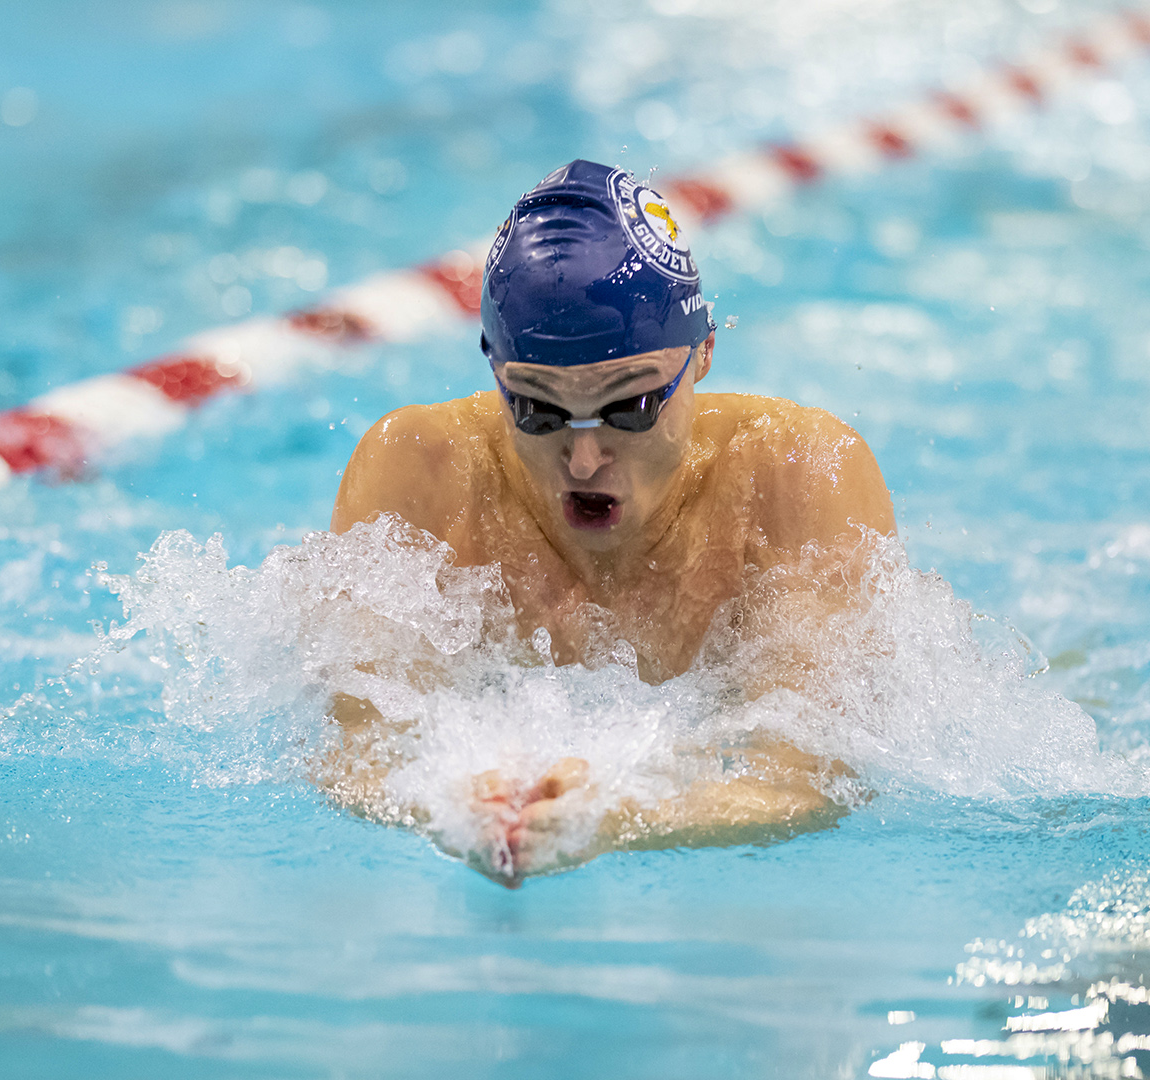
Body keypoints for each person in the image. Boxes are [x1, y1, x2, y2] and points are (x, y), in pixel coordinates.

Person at [327, 160, 896, 884]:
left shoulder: (796, 475)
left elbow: (809, 780)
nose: (586, 458)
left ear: (705, 356)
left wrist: (626, 817)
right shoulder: (423, 473)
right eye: (537, 409)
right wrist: (442, 802)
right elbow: (356, 753)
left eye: (631, 408)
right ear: (496, 373)